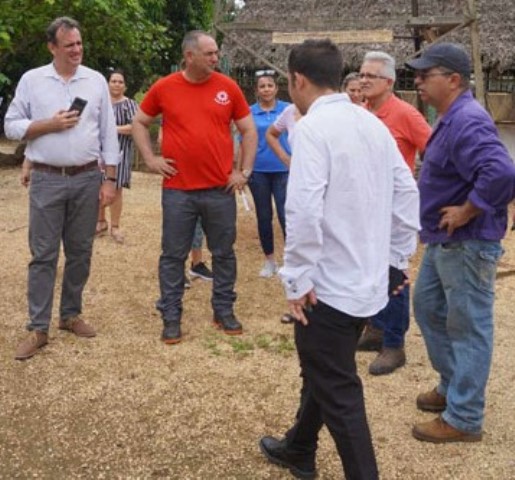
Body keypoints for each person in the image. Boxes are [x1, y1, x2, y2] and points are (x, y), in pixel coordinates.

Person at [258, 39, 419, 480]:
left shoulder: (310, 128)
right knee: (324, 369)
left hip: (328, 286)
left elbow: (304, 208)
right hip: (365, 280)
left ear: (298, 79)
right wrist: (395, 259)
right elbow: (407, 192)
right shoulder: (370, 123)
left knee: (338, 387)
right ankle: (299, 447)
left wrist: (296, 279)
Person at [405, 43, 515, 443]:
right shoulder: (450, 117)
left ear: (452, 79)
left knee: (468, 326)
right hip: (445, 241)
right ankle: (453, 387)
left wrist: (468, 210)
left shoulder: (467, 119)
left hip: (466, 241)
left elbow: (502, 173)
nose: (417, 81)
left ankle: (465, 417)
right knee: (429, 306)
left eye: (425, 74)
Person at [5, 16, 119, 360]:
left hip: (87, 178)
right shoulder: (32, 80)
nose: (77, 50)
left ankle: (70, 315)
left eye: (79, 44)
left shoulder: (95, 81)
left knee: (81, 251)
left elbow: (109, 134)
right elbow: (11, 125)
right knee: (43, 255)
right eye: (69, 45)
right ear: (52, 47)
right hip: (46, 178)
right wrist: (47, 125)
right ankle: (38, 328)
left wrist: (110, 180)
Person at [132, 30, 257, 345]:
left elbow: (248, 130)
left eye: (216, 53)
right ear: (190, 56)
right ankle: (171, 317)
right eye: (210, 53)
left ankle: (223, 310)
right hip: (178, 191)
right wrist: (150, 159)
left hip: (220, 190)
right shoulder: (165, 87)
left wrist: (244, 171)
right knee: (173, 255)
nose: (216, 58)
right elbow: (139, 122)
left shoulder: (228, 88)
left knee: (224, 254)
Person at [357, 50, 431, 375]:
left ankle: (394, 343)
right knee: (370, 269)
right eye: (361, 75)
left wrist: (422, 193)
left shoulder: (405, 114)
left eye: (371, 76)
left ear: (389, 81)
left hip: (393, 211)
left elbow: (436, 153)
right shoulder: (359, 113)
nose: (364, 80)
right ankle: (374, 327)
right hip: (365, 208)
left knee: (395, 273)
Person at [241, 70, 291, 278]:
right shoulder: (249, 112)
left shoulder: (288, 110)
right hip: (259, 170)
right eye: (262, 86)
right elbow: (243, 141)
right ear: (257, 91)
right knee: (264, 216)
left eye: (270, 85)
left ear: (276, 88)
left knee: (285, 214)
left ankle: (291, 261)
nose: (266, 89)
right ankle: (270, 260)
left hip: (284, 169)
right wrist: (242, 169)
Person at [156, 125, 214, 286]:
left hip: (203, 174)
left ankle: (197, 264)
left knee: (199, 223)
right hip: (179, 178)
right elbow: (161, 138)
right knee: (177, 228)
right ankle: (177, 270)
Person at [96, 69, 138, 243]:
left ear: (125, 85)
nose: (116, 84)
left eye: (120, 82)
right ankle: (100, 221)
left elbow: (135, 127)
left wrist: (112, 130)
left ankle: (115, 225)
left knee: (116, 188)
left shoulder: (130, 105)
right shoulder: (100, 103)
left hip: (121, 152)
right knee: (97, 187)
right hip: (98, 153)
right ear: (108, 83)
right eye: (113, 81)